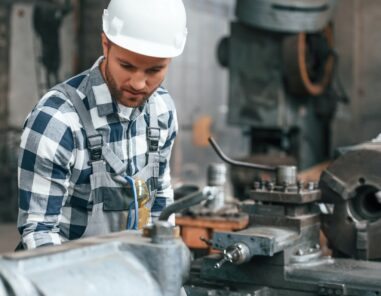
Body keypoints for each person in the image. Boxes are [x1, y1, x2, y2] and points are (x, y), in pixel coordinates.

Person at [17, 0, 187, 249]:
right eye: (127, 66)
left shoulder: (162, 110)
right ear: (106, 45)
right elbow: (40, 234)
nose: (139, 83)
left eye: (154, 70)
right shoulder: (57, 121)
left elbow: (159, 200)